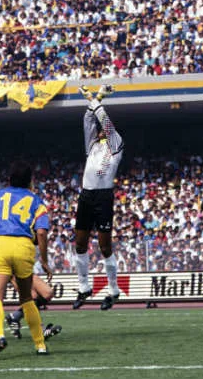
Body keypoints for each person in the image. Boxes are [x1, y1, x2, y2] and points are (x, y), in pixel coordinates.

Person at [0, 160, 53, 360]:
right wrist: (44, 260)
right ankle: (40, 345)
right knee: (26, 298)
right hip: (24, 247)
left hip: (0, 246)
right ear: (30, 181)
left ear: (9, 179)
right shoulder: (37, 201)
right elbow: (41, 233)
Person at [72, 84, 124, 311]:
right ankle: (84, 286)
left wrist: (97, 98)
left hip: (103, 197)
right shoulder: (92, 145)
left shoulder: (117, 145)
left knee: (104, 247)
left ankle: (113, 290)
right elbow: (88, 119)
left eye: (103, 127)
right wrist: (95, 99)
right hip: (86, 195)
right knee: (80, 243)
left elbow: (105, 121)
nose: (100, 129)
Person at [5, 269, 62, 341]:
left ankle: (15, 316)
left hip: (26, 266)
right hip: (12, 268)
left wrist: (45, 265)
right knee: (32, 297)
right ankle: (41, 331)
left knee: (48, 293)